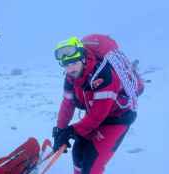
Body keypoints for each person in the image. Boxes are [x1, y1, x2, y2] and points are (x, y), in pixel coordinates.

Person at [52, 35, 144, 174]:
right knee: (78, 153)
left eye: (74, 63)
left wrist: (71, 131)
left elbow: (97, 116)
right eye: (66, 65)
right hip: (94, 117)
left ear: (83, 58)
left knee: (92, 162)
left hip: (118, 118)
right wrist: (60, 130)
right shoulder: (71, 77)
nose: (70, 69)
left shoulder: (104, 75)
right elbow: (67, 105)